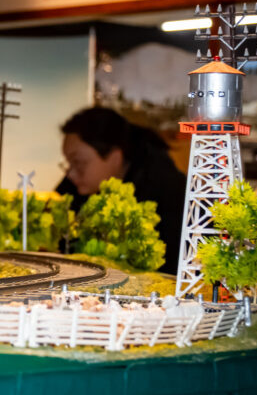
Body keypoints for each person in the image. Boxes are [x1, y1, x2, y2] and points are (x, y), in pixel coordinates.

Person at [55, 107, 186, 274]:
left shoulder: (169, 194)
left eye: (78, 162)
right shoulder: (75, 191)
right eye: (68, 163)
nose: (71, 174)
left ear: (115, 157)